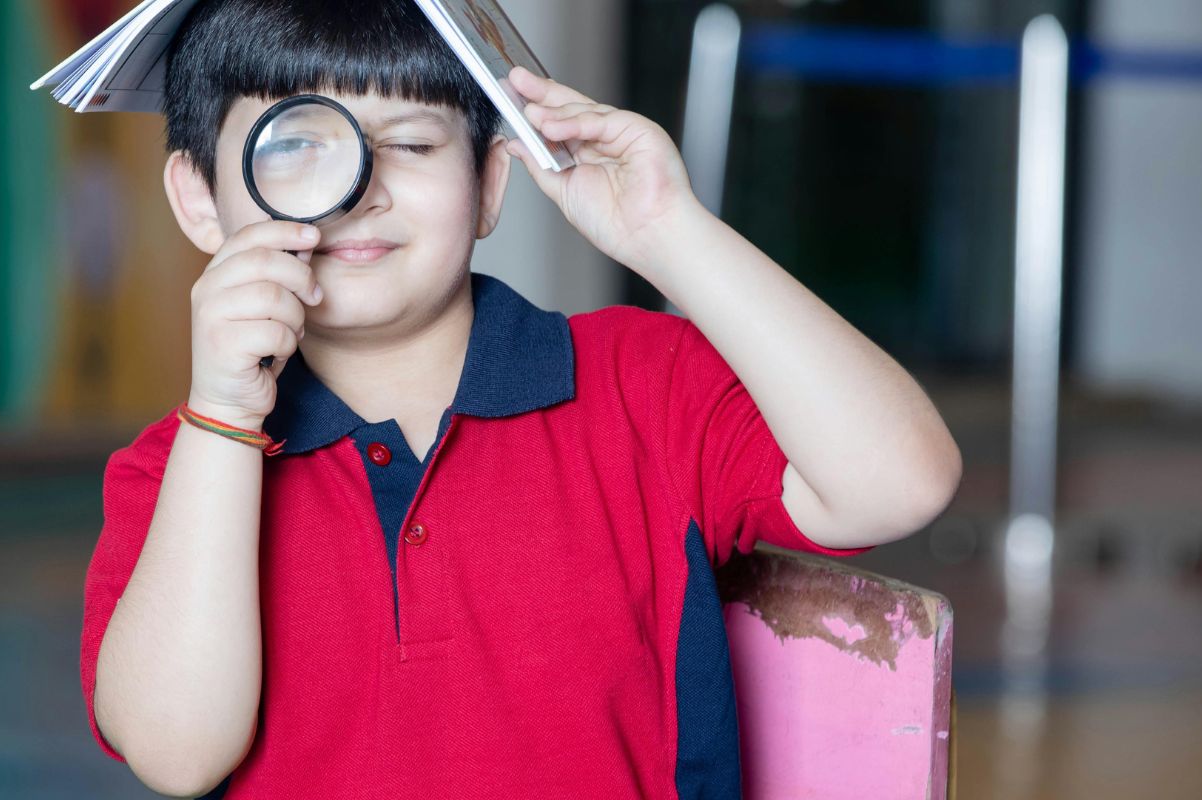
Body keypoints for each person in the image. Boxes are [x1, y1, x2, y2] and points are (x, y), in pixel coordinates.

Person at [79, 0, 963, 796]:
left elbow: (901, 481)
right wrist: (225, 418)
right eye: (295, 146)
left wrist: (669, 232)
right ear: (201, 199)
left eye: (413, 145)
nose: (361, 191)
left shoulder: (642, 387)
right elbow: (176, 755)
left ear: (490, 183)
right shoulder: (179, 471)